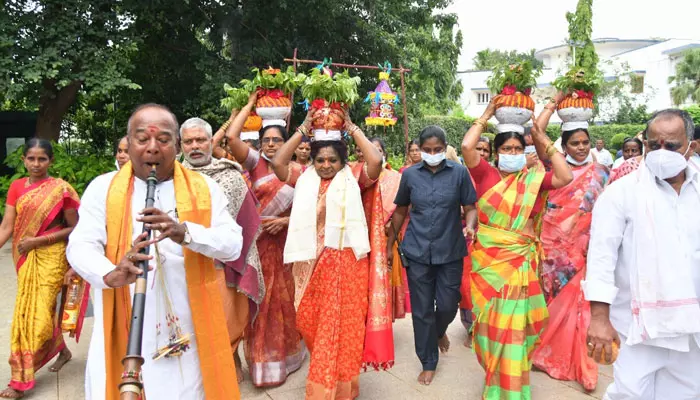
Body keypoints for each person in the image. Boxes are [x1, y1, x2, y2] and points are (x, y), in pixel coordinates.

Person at [66, 104, 243, 399]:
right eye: (142, 139)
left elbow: (232, 244)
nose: (152, 148)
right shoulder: (102, 188)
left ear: (176, 145)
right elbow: (81, 244)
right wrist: (110, 272)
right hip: (125, 318)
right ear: (128, 142)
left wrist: (185, 232)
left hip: (187, 326)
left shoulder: (205, 188)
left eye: (163, 139)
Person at [272, 110, 393, 399]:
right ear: (312, 160)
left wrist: (351, 127)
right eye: (320, 159)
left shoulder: (353, 176)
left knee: (341, 328)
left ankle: (335, 389)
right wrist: (302, 129)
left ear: (343, 160)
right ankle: (330, 379)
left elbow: (375, 160)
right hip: (308, 265)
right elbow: (278, 162)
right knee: (311, 324)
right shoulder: (303, 177)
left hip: (347, 264)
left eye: (332, 160)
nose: (326, 165)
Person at [462, 94, 573, 400]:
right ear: (496, 153)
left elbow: (565, 176)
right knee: (489, 330)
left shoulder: (534, 182)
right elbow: (467, 147)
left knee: (515, 331)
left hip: (520, 267)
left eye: (517, 149)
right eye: (506, 149)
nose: (512, 153)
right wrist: (486, 113)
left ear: (525, 152)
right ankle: (494, 379)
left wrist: (543, 139)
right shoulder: (485, 176)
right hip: (490, 266)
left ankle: (510, 391)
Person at [584, 109, 700, 400]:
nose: (661, 152)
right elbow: (600, 258)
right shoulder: (620, 194)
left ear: (692, 147)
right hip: (638, 326)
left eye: (671, 146)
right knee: (630, 394)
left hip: (692, 326)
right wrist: (599, 318)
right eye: (653, 144)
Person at [224, 93, 305, 387]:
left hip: (285, 245)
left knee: (283, 303)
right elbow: (232, 138)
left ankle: (286, 359)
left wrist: (285, 221)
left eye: (277, 140)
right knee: (259, 302)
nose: (271, 144)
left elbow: (310, 212)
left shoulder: (298, 172)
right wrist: (247, 106)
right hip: (257, 247)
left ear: (287, 144)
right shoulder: (255, 165)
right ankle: (261, 365)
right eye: (266, 140)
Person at [387, 125, 477, 385]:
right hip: (417, 251)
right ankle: (428, 361)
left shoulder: (459, 173)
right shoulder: (410, 175)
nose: (432, 154)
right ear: (420, 150)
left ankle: (439, 331)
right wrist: (389, 245)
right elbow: (401, 211)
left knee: (449, 304)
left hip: (450, 250)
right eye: (427, 150)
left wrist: (470, 225)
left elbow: (470, 207)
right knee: (422, 310)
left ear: (445, 148)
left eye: (437, 150)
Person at [180, 117, 264, 383]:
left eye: (200, 140)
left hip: (224, 263)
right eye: (188, 141)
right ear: (180, 145)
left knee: (227, 323)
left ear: (210, 142)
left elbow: (248, 222)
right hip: (185, 264)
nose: (195, 146)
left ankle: (230, 371)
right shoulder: (171, 178)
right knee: (192, 329)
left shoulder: (230, 175)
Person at [0, 139, 83, 399]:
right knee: (31, 313)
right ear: (23, 160)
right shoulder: (15, 187)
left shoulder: (61, 189)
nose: (36, 164)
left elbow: (76, 228)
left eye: (42, 159)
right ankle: (62, 351)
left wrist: (39, 240)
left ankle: (20, 379)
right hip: (25, 259)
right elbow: (6, 227)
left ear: (51, 161)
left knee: (38, 317)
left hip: (52, 256)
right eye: (31, 159)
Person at [531, 124, 609, 391]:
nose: (581, 147)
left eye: (584, 142)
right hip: (554, 249)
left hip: (586, 248)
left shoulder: (600, 173)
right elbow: (536, 132)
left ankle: (584, 365)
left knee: (582, 307)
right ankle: (546, 354)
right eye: (574, 143)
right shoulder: (552, 174)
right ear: (563, 147)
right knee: (552, 303)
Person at [367, 137, 407, 319]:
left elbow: (404, 207)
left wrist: (391, 224)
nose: (375, 155)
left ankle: (384, 319)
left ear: (384, 154)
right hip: (364, 238)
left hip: (387, 237)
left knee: (386, 278)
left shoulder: (395, 179)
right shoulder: (358, 177)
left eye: (378, 151)